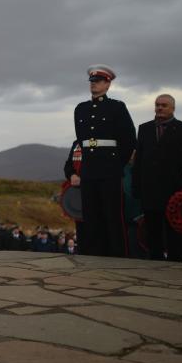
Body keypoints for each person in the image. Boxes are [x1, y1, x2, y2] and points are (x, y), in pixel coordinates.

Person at [71, 65, 136, 256]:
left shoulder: (117, 107)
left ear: (108, 84)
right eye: (92, 81)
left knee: (112, 215)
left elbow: (129, 139)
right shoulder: (80, 109)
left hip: (110, 169)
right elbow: (81, 140)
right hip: (89, 169)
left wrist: (117, 164)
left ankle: (117, 255)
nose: (94, 85)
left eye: (98, 81)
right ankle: (94, 254)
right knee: (91, 215)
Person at [132, 94, 182, 261]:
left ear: (172, 108)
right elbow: (139, 160)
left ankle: (175, 261)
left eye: (164, 105)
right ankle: (155, 261)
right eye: (157, 105)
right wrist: (137, 186)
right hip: (149, 189)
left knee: (174, 230)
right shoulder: (144, 128)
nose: (160, 108)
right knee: (152, 230)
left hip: (174, 190)